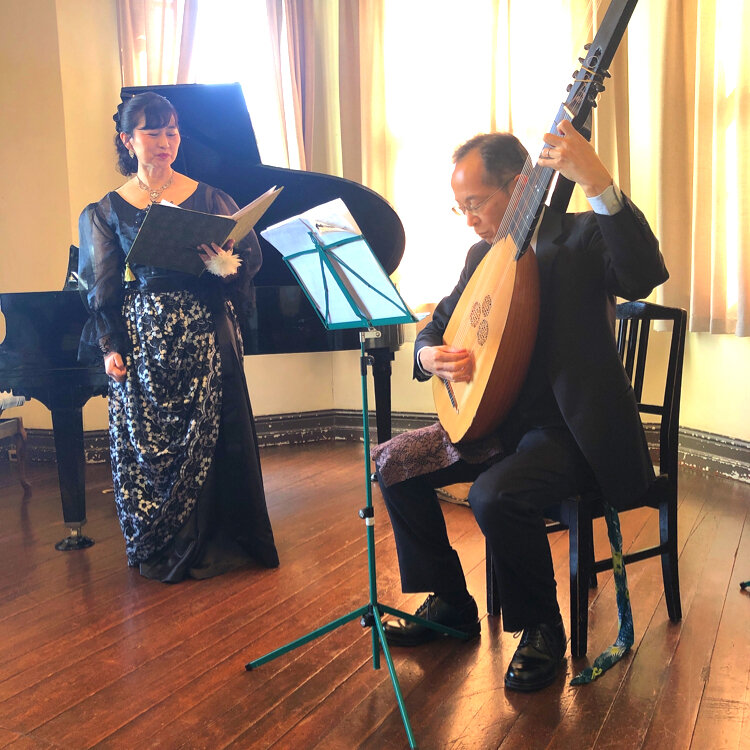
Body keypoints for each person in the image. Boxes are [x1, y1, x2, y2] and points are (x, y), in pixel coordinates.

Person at [373, 121, 668, 691]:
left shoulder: (579, 236)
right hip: (492, 423)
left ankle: (542, 630)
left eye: (476, 203)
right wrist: (429, 354)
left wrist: (598, 183)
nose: (470, 219)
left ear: (521, 185)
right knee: (393, 461)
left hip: (568, 433)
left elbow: (642, 274)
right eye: (460, 207)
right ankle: (451, 602)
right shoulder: (481, 256)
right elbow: (437, 324)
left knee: (494, 494)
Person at [78, 91, 279, 582]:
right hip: (145, 337)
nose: (165, 141)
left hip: (205, 329)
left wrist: (222, 263)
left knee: (217, 436)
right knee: (149, 441)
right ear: (128, 140)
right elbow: (102, 284)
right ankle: (165, 541)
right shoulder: (106, 210)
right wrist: (110, 346)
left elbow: (248, 259)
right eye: (153, 132)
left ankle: (221, 539)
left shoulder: (210, 198)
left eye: (172, 131)